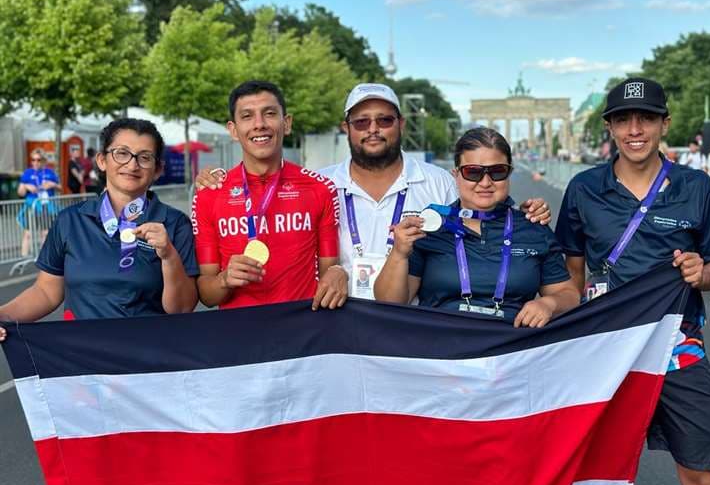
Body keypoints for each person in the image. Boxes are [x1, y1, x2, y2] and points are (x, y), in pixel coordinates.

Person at [195, 83, 551, 299]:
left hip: (413, 323)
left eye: (384, 120)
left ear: (401, 124)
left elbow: (483, 209)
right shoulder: (320, 184)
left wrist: (524, 212)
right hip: (337, 323)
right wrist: (216, 180)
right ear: (346, 128)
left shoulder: (439, 182)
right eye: (361, 121)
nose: (373, 129)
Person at [556, 78, 710, 485]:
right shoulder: (583, 189)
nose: (635, 130)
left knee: (701, 476)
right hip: (604, 348)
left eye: (646, 119)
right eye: (623, 120)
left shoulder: (696, 186)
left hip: (677, 348)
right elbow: (571, 279)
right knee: (587, 472)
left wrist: (701, 273)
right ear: (610, 127)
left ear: (664, 124)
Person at [0, 118, 198, 334]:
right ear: (102, 160)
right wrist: (2, 316)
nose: (132, 165)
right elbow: (46, 292)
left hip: (147, 350)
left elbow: (182, 308)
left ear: (158, 169)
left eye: (144, 157)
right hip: (82, 350)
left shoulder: (175, 224)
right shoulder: (70, 221)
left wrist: (169, 256)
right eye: (121, 153)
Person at [374, 127, 578, 326]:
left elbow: (569, 295)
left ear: (509, 173)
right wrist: (398, 254)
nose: (485, 182)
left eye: (497, 171)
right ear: (455, 174)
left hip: (512, 344)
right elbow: (389, 304)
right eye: (473, 172)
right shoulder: (429, 228)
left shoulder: (533, 227)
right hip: (442, 344)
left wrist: (549, 304)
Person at [191, 80, 346, 311]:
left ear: (287, 123)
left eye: (270, 113)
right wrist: (224, 280)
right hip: (238, 329)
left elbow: (329, 275)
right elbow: (207, 295)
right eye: (247, 116)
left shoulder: (320, 189)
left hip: (303, 326)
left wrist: (339, 272)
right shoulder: (209, 195)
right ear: (233, 130)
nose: (259, 124)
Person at [16, 149, 61, 256]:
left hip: (46, 206)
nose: (35, 162)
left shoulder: (50, 172)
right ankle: (23, 258)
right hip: (32, 206)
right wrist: (25, 186)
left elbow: (60, 188)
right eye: (33, 160)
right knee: (27, 233)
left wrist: (53, 185)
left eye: (38, 160)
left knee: (45, 233)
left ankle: (43, 258)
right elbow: (20, 193)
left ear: (44, 160)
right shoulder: (27, 173)